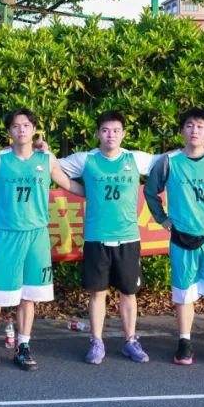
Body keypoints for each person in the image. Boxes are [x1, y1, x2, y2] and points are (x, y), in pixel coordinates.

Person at [0, 108, 75, 374]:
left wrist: (98, 195)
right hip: (8, 235)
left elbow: (68, 184)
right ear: (9, 131)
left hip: (37, 235)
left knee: (28, 298)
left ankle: (22, 347)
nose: (21, 129)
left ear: (34, 129)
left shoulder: (47, 159)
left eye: (26, 125)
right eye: (15, 126)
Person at [57, 111, 156, 365]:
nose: (110, 135)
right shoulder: (86, 159)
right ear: (97, 134)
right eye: (105, 130)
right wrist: (82, 190)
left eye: (116, 131)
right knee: (97, 293)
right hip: (97, 237)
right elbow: (52, 168)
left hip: (128, 238)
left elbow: (169, 162)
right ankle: (96, 342)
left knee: (128, 293)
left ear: (123, 134)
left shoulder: (135, 159)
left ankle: (130, 341)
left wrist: (203, 148)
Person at [144, 108, 204, 368]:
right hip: (182, 237)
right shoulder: (169, 161)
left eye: (200, 126)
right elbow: (151, 191)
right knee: (184, 293)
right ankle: (184, 341)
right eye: (189, 125)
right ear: (181, 131)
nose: (194, 130)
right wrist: (162, 219)